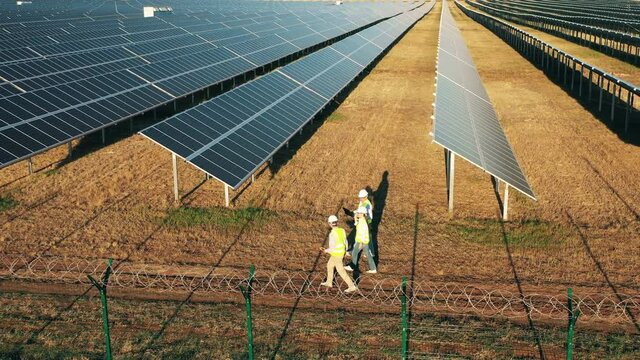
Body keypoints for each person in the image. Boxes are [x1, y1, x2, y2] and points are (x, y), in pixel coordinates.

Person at [320, 215, 358, 293]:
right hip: (340, 253)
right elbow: (345, 241)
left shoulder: (332, 233)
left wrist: (325, 251)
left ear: (329, 223)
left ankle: (351, 286)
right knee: (329, 265)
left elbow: (333, 247)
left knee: (340, 270)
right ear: (337, 222)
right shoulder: (342, 230)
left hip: (336, 254)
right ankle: (329, 282)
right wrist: (346, 251)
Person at [345, 208, 377, 274]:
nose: (358, 214)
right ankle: (373, 268)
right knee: (367, 254)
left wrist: (361, 243)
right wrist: (356, 215)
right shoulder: (361, 220)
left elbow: (363, 233)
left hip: (361, 241)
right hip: (363, 241)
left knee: (354, 253)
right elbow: (356, 222)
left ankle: (352, 266)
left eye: (359, 213)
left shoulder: (363, 222)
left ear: (363, 214)